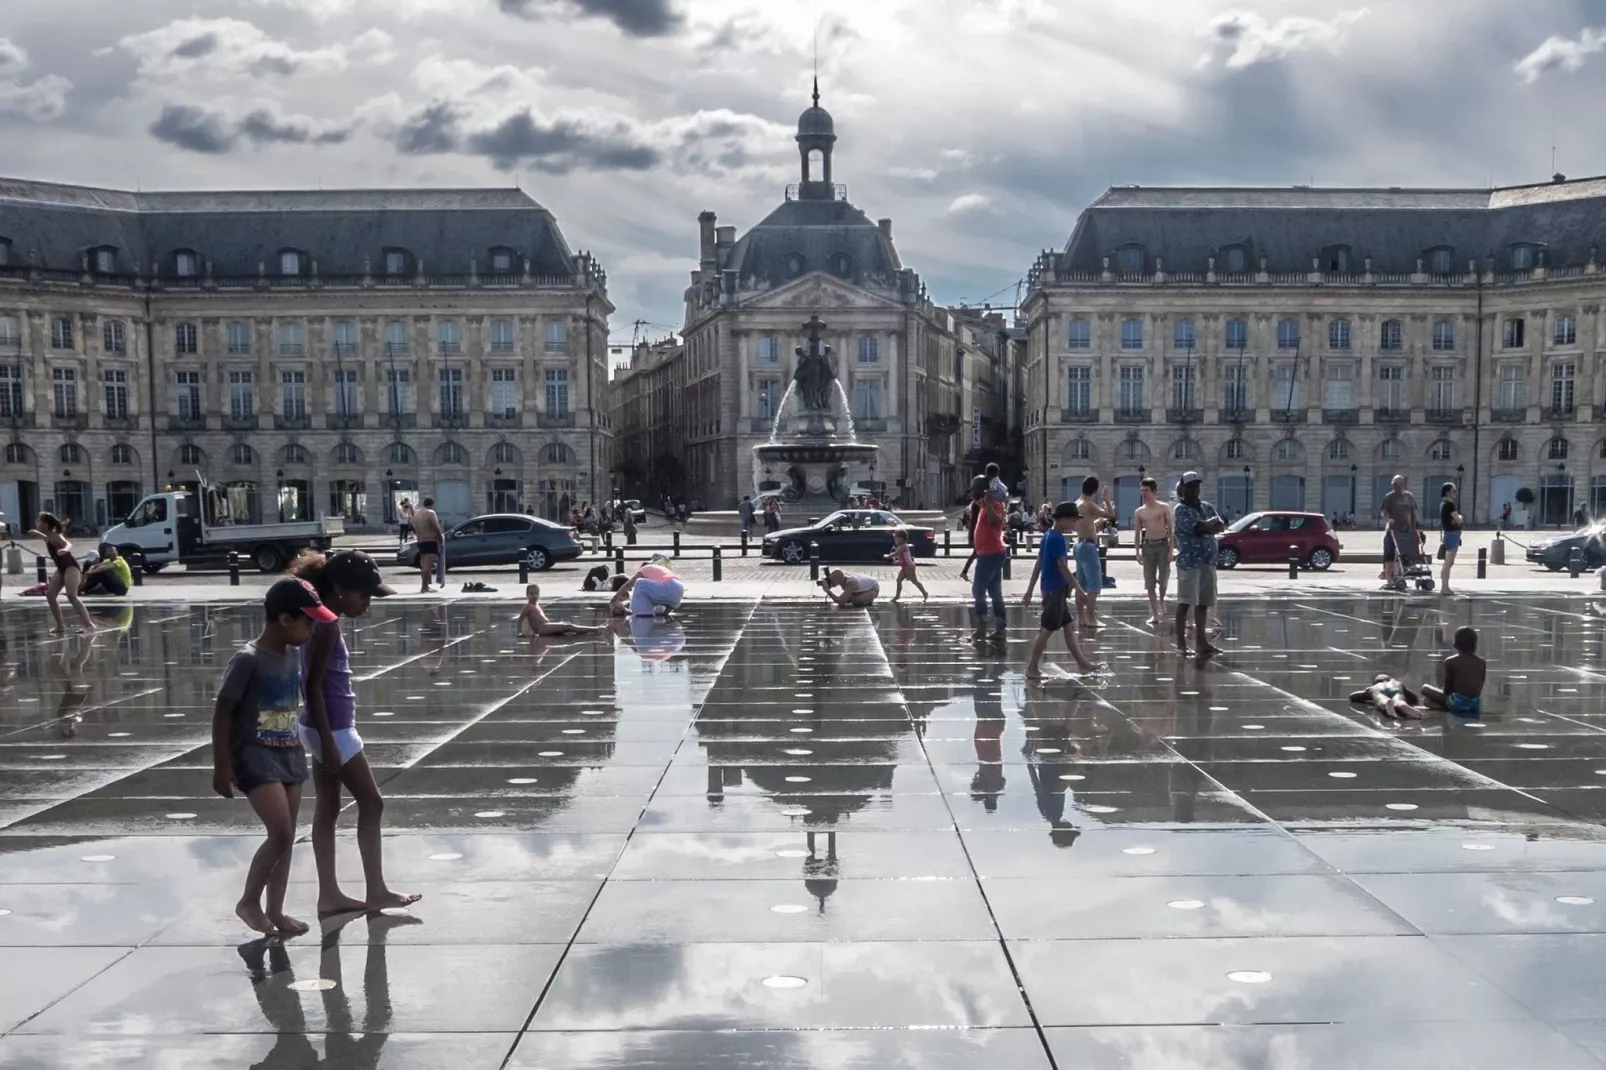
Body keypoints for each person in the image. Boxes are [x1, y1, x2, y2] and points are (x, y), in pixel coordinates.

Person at [287, 551, 420, 919]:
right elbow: (313, 686)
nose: (368, 604)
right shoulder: (326, 625)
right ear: (341, 589)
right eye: (365, 596)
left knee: (328, 808)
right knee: (372, 803)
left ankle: (329, 895)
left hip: (320, 726)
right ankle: (375, 891)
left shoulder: (319, 617)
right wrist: (330, 744)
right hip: (333, 729)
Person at [213, 577, 337, 935]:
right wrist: (222, 766)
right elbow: (223, 712)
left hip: (288, 753)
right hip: (254, 755)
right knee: (280, 833)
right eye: (308, 621)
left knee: (287, 836)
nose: (312, 629)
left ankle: (276, 911)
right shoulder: (247, 660)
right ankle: (248, 902)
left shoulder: (293, 654)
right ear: (284, 619)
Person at [1022, 501, 1099, 681]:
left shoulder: (1048, 535)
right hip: (1055, 590)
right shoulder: (1057, 538)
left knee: (1069, 628)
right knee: (1047, 629)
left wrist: (1030, 589)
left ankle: (1083, 663)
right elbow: (1062, 566)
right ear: (1063, 519)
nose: (1074, 524)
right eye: (1073, 520)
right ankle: (1032, 668)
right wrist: (1078, 589)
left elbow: (1038, 563)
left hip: (1050, 588)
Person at [1172, 473, 1224, 659]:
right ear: (1183, 488)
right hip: (1189, 561)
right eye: (1191, 486)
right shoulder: (1180, 509)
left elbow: (1220, 526)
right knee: (1185, 602)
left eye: (1197, 486)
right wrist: (1206, 526)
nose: (1195, 490)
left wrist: (1206, 525)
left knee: (1203, 603)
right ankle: (1181, 644)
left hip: (1207, 560)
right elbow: (1197, 528)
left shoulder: (1206, 507)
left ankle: (1202, 643)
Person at [27, 512, 95, 635]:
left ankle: (89, 625)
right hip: (61, 568)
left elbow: (67, 543)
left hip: (71, 567)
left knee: (71, 596)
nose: (36, 523)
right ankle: (60, 626)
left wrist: (65, 549)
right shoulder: (49, 536)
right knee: (50, 596)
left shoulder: (55, 535)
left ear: (46, 524)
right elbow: (46, 539)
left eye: (39, 521)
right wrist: (37, 534)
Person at [1073, 477, 1115, 631]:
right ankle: (1091, 617)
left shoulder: (1078, 503)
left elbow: (1087, 522)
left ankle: (1081, 618)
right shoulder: (1089, 504)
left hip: (1079, 544)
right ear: (1095, 490)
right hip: (1089, 547)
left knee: (1081, 584)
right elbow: (1111, 515)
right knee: (1094, 584)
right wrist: (1107, 500)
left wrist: (1096, 523)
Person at [970, 474, 1008, 641]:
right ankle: (1000, 628)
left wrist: (987, 503)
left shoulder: (994, 504)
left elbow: (997, 521)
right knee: (994, 592)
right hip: (988, 553)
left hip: (991, 553)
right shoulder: (986, 504)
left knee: (978, 590)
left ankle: (981, 627)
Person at [1133, 478, 1174, 627]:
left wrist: (1171, 550)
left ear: (1154, 491)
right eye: (1142, 490)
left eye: (1147, 490)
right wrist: (1137, 552)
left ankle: (1161, 600)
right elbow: (1137, 533)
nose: (1144, 493)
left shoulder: (1164, 508)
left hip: (1162, 544)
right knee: (1149, 582)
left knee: (1163, 578)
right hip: (1148, 546)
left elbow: (1170, 529)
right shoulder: (1139, 511)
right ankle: (1155, 613)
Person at [1420, 626, 1487, 716]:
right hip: (1475, 705)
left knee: (1425, 688)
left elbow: (1448, 691)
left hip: (1457, 703)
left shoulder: (1450, 661)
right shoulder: (1482, 662)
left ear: (1455, 645)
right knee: (1437, 699)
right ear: (1475, 645)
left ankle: (1441, 707)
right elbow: (1480, 686)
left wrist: (1440, 692)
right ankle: (1443, 706)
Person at [517, 583, 606, 637]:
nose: (534, 596)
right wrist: (520, 632)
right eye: (531, 594)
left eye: (536, 593)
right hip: (542, 628)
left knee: (566, 627)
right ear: (527, 595)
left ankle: (587, 631)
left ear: (539, 594)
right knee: (568, 626)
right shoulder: (528, 606)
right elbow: (520, 619)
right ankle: (595, 629)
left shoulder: (536, 604)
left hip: (545, 627)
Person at [1380, 474, 1419, 589]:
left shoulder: (1409, 496)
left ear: (1403, 484)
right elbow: (1383, 512)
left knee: (1403, 556)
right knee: (1389, 555)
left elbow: (1414, 512)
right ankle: (1389, 579)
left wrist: (1415, 526)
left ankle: (1399, 576)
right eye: (1393, 484)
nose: (1394, 486)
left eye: (1397, 484)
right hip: (1392, 531)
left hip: (1406, 531)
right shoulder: (1389, 497)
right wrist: (1388, 519)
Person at [611, 558, 684, 616]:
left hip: (668, 588)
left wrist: (615, 598)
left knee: (638, 582)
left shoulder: (645, 568)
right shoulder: (659, 573)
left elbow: (628, 585)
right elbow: (673, 590)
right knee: (652, 606)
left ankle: (634, 612)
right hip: (678, 592)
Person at [1349, 673, 1423, 719]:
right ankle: (1402, 705)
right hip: (1395, 689)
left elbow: (1353, 696)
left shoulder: (1374, 687)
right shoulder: (1396, 683)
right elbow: (1413, 696)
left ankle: (1386, 703)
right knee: (1399, 700)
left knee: (1381, 698)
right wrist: (1414, 700)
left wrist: (1367, 691)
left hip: (1379, 691)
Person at [885, 528, 928, 602]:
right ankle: (897, 596)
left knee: (914, 581)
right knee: (898, 580)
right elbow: (901, 557)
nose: (895, 541)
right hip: (905, 567)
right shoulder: (900, 547)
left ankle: (925, 593)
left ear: (901, 539)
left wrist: (888, 556)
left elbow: (896, 553)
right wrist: (897, 561)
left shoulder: (903, 546)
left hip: (909, 567)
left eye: (896, 539)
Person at [410, 498, 442, 593]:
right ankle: (424, 587)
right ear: (431, 505)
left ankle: (426, 586)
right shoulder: (430, 513)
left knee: (423, 564)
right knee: (427, 566)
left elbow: (413, 528)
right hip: (430, 540)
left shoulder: (416, 514)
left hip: (421, 541)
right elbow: (435, 526)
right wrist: (440, 538)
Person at [1438, 482, 1463, 596]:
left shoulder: (1443, 504)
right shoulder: (1450, 505)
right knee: (1448, 563)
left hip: (1449, 534)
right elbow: (1458, 519)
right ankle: (1444, 587)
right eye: (1453, 491)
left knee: (1449, 562)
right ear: (1448, 492)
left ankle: (1445, 586)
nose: (1455, 493)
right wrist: (1460, 517)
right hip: (1452, 534)